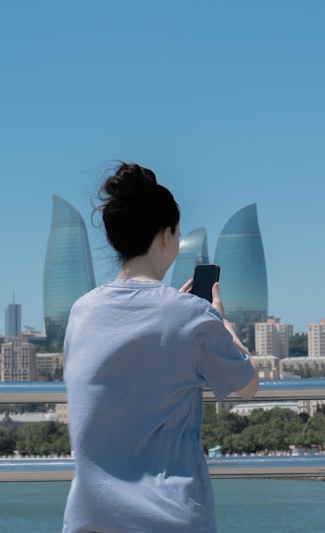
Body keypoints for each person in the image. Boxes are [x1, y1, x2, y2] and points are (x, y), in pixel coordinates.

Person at [62, 162, 259, 533]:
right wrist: (223, 324)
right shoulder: (192, 315)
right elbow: (246, 383)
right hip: (171, 518)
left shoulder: (81, 311)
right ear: (167, 236)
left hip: (91, 520)